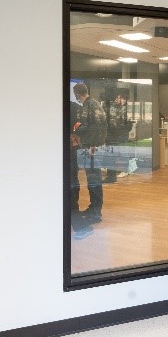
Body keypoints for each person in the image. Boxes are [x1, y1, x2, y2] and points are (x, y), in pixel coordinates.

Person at [72, 83, 107, 225]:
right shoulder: (92, 104)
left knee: (94, 181)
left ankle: (96, 213)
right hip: (91, 147)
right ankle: (93, 208)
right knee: (92, 180)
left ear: (77, 94)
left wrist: (91, 144)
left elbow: (96, 128)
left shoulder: (90, 105)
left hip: (92, 148)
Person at [69, 99, 92, 240]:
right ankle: (80, 226)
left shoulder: (72, 107)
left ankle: (79, 225)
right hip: (68, 154)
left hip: (68, 153)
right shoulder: (74, 107)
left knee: (71, 189)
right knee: (71, 189)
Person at [103, 93, 130, 183]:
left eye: (119, 98)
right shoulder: (114, 108)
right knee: (113, 153)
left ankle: (125, 170)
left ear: (124, 99)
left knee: (123, 152)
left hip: (121, 135)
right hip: (114, 135)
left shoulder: (126, 110)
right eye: (117, 98)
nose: (116, 99)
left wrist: (121, 130)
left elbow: (128, 125)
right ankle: (112, 172)